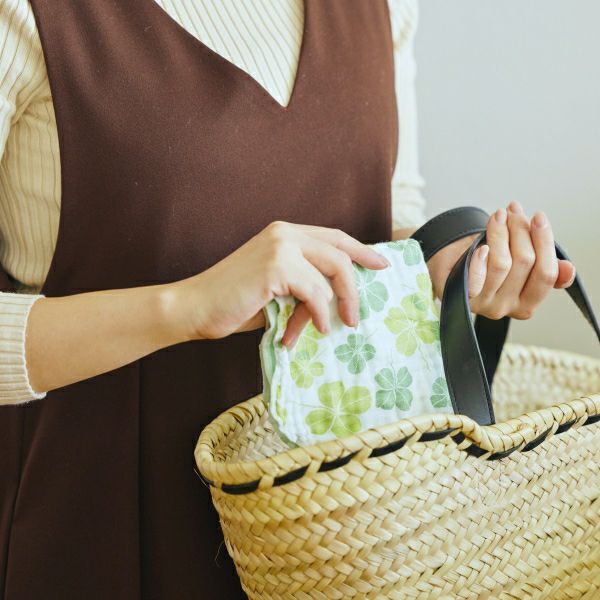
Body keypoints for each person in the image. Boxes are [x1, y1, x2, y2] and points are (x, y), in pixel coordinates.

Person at [0, 0, 576, 598]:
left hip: (343, 525)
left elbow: (380, 214)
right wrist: (188, 306)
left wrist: (438, 268)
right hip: (111, 515)